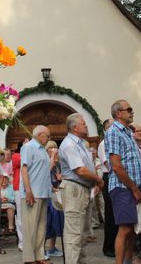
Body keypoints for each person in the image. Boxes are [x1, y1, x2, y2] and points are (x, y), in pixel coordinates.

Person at [59, 113, 104, 264]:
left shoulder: (80, 143)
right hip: (74, 190)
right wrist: (98, 180)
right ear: (75, 127)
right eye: (83, 123)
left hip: (82, 189)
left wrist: (94, 183)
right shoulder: (69, 144)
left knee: (83, 234)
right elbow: (80, 170)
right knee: (73, 235)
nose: (86, 126)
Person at [105, 99, 141, 264]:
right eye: (128, 109)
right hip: (123, 187)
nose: (132, 111)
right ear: (118, 113)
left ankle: (128, 260)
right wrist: (134, 189)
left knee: (131, 230)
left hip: (131, 187)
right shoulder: (114, 131)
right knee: (125, 229)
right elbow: (116, 165)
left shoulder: (128, 131)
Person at [20, 125, 53, 264]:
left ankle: (39, 256)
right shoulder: (29, 147)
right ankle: (29, 259)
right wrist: (28, 191)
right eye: (48, 135)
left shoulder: (43, 150)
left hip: (43, 192)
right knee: (30, 228)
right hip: (32, 193)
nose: (49, 138)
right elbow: (24, 169)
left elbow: (45, 170)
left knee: (41, 228)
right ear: (39, 134)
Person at [98, 119, 117, 257]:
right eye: (109, 126)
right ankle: (109, 247)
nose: (112, 128)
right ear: (105, 129)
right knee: (110, 213)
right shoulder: (103, 144)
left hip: (117, 176)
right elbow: (108, 163)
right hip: (110, 176)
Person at [45, 140, 64, 258]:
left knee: (56, 223)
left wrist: (61, 178)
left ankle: (52, 247)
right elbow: (45, 174)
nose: (53, 150)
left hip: (56, 195)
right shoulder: (47, 161)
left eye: (55, 148)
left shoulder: (58, 163)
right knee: (47, 223)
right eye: (50, 148)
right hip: (48, 195)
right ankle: (41, 249)